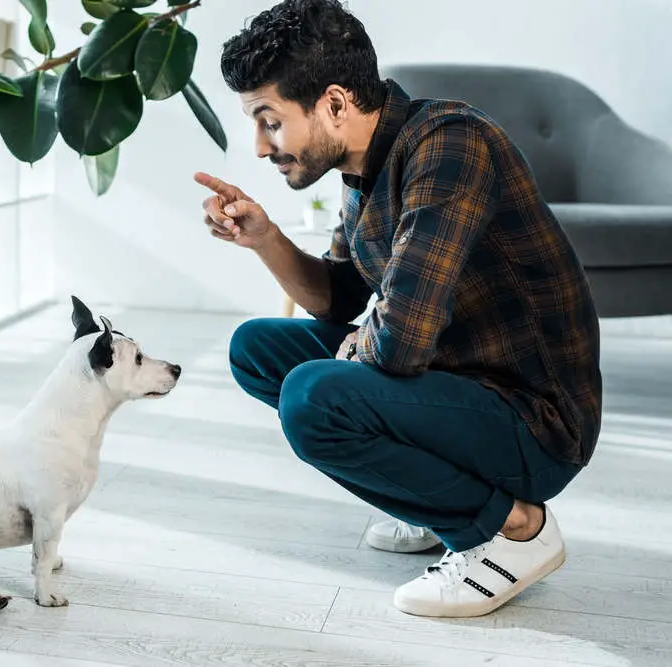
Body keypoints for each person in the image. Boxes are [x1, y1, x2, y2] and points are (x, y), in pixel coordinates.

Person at [196, 0, 602, 618]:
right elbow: (339, 299)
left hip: (533, 422)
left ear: (335, 103)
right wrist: (266, 239)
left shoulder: (450, 146)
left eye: (269, 121)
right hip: (456, 384)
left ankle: (512, 529)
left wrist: (358, 347)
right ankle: (432, 498)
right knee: (257, 350)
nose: (259, 146)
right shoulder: (363, 166)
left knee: (313, 397)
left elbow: (401, 342)